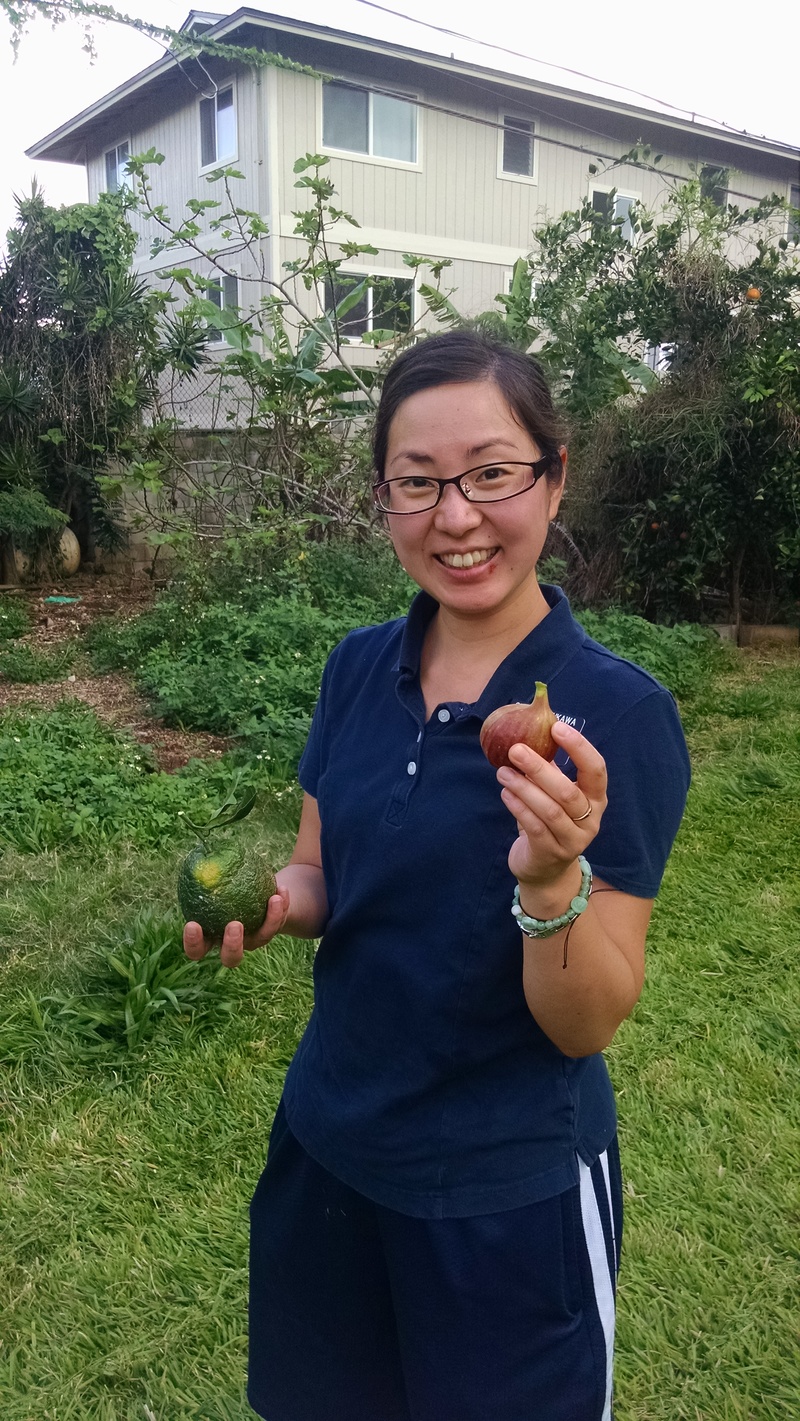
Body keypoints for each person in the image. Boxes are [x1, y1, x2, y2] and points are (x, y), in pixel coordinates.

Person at [184, 330, 690, 1421]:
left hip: (504, 1197)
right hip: (329, 1146)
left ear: (553, 480)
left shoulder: (618, 717)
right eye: (416, 483)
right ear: (384, 498)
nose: (453, 516)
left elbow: (584, 1021)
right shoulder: (356, 666)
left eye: (490, 473)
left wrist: (552, 875)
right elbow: (324, 873)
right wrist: (279, 900)